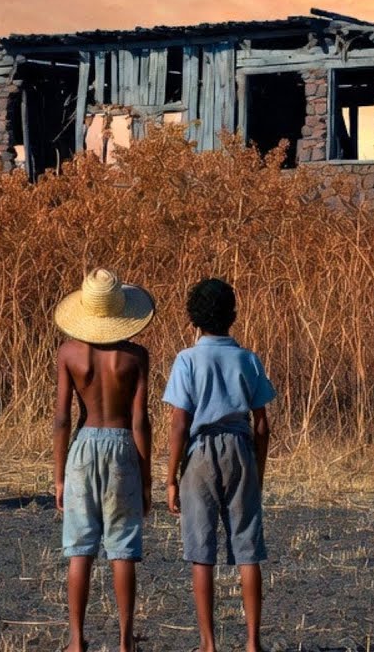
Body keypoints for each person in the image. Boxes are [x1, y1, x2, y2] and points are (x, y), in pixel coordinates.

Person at [163, 277, 274, 652]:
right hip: (241, 447)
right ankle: (252, 642)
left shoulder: (187, 359)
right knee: (247, 547)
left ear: (193, 319)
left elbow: (180, 422)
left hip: (200, 453)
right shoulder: (248, 359)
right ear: (233, 316)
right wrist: (257, 468)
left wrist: (171, 477)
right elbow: (262, 423)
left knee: (200, 549)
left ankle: (208, 644)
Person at [52, 268, 155, 652]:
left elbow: (63, 417)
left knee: (80, 547)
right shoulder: (135, 356)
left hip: (82, 447)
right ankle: (126, 642)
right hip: (123, 447)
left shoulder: (69, 352)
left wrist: (59, 475)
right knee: (123, 546)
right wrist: (146, 478)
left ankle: (77, 641)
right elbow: (140, 420)